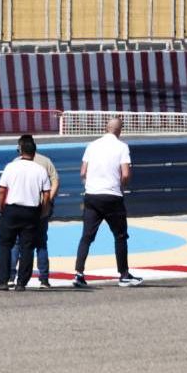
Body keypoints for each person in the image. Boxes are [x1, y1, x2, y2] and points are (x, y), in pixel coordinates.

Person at [73, 117, 142, 288]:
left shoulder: (92, 145)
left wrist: (90, 184)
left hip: (92, 195)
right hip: (112, 196)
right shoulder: (122, 147)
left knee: (87, 237)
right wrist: (121, 186)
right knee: (120, 236)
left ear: (106, 128)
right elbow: (125, 174)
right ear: (120, 130)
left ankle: (79, 274)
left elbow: (83, 171)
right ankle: (124, 274)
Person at [0, 138, 51, 292]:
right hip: (31, 211)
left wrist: (0, 208)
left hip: (11, 209)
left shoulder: (11, 167)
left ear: (20, 150)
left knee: (5, 244)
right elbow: (46, 195)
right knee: (27, 247)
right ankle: (22, 282)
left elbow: (2, 190)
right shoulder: (41, 170)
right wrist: (43, 212)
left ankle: (3, 279)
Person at [9, 134, 59, 288]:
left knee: (17, 243)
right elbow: (55, 181)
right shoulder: (45, 161)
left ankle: (12, 276)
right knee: (41, 242)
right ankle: (44, 279)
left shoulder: (15, 163)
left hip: (21, 206)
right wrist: (48, 201)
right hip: (41, 207)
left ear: (21, 147)